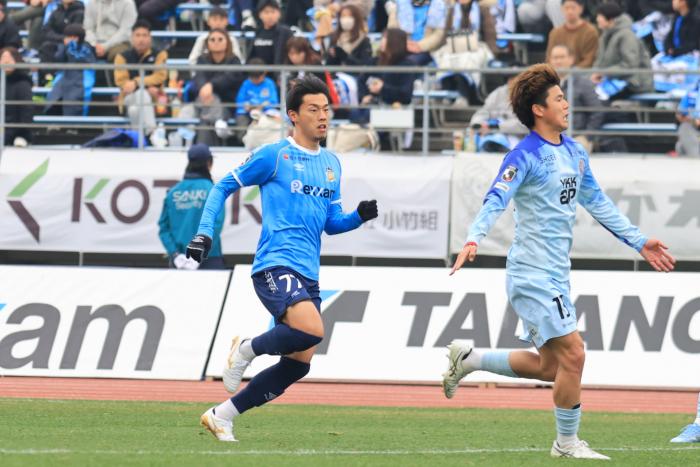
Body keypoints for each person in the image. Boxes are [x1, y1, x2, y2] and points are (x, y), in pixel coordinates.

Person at [444, 63, 676, 460]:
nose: (567, 104)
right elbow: (496, 197)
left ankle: (470, 359)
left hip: (556, 274)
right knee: (575, 354)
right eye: (559, 98)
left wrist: (639, 241)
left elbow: (597, 202)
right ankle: (566, 444)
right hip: (531, 273)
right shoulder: (524, 156)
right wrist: (473, 237)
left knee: (552, 367)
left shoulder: (575, 153)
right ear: (539, 110)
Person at [189, 75, 379, 442]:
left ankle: (222, 415)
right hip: (275, 263)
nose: (322, 116)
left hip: (308, 272)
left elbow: (331, 224)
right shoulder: (274, 155)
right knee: (312, 330)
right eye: (313, 109)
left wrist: (358, 216)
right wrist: (204, 232)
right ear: (293, 115)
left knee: (299, 364)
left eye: (326, 109)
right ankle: (246, 348)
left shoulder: (332, 163)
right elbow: (222, 185)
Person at [158, 144, 225, 271]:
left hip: (179, 260)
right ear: (209, 163)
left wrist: (174, 254)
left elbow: (163, 227)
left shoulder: (173, 192)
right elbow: (216, 224)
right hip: (209, 259)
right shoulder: (213, 191)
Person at [114, 19, 168, 141]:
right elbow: (122, 82)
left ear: (150, 38)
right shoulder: (122, 57)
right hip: (128, 98)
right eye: (137, 35)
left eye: (144, 35)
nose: (141, 39)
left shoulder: (160, 54)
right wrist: (146, 85)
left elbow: (160, 76)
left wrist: (136, 82)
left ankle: (138, 140)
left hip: (154, 99)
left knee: (134, 110)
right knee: (142, 94)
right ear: (132, 38)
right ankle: (153, 132)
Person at [188, 29, 244, 146]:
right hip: (203, 102)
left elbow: (229, 79)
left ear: (227, 42)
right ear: (207, 43)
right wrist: (205, 89)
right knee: (187, 111)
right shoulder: (202, 59)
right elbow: (199, 78)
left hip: (226, 106)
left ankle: (198, 148)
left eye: (220, 39)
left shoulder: (234, 61)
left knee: (205, 121)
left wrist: (211, 86)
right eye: (212, 40)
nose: (216, 42)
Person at [591, 2, 654, 99]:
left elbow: (630, 65)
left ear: (610, 19)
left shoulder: (627, 36)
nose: (597, 19)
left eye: (599, 16)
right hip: (613, 82)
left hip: (634, 84)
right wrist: (596, 73)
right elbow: (600, 61)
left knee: (596, 100)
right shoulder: (605, 36)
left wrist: (603, 73)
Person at [548, 44, 603, 153]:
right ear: (550, 61)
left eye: (562, 57)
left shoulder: (583, 83)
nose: (558, 61)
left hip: (577, 137)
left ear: (571, 59)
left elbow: (597, 112)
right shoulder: (545, 85)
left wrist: (587, 136)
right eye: (555, 58)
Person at [44, 23, 96, 116]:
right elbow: (59, 59)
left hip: (83, 75)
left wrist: (72, 47)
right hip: (65, 74)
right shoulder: (63, 46)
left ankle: (75, 120)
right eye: (68, 36)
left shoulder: (86, 46)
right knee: (55, 94)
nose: (71, 39)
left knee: (76, 95)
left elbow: (87, 61)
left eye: (74, 37)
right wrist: (65, 47)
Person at [468, 75, 528, 152]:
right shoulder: (498, 93)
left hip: (517, 137)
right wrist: (478, 124)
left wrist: (496, 126)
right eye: (511, 78)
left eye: (517, 78)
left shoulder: (527, 94)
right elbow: (483, 112)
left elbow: (524, 124)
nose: (514, 81)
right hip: (493, 134)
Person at [546, 0, 599, 68]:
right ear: (561, 9)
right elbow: (549, 58)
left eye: (573, 8)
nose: (570, 11)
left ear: (581, 8)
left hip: (583, 72)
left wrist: (572, 71)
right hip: (558, 71)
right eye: (566, 8)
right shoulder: (555, 33)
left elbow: (590, 59)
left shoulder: (590, 31)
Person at [0, 47, 33, 147]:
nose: (6, 62)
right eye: (3, 58)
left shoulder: (23, 83)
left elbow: (26, 113)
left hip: (17, 135)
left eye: (10, 58)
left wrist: (20, 134)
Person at [235, 57, 279, 129]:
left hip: (265, 112)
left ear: (264, 72)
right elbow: (240, 100)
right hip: (247, 113)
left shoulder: (269, 83)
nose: (255, 80)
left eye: (258, 77)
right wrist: (246, 105)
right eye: (252, 77)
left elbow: (274, 101)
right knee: (241, 121)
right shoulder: (246, 83)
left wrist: (263, 106)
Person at [246, 0, 293, 65]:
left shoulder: (285, 32)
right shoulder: (257, 32)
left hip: (278, 70)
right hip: (259, 70)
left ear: (279, 13)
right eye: (266, 12)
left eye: (273, 12)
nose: (270, 16)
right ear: (260, 14)